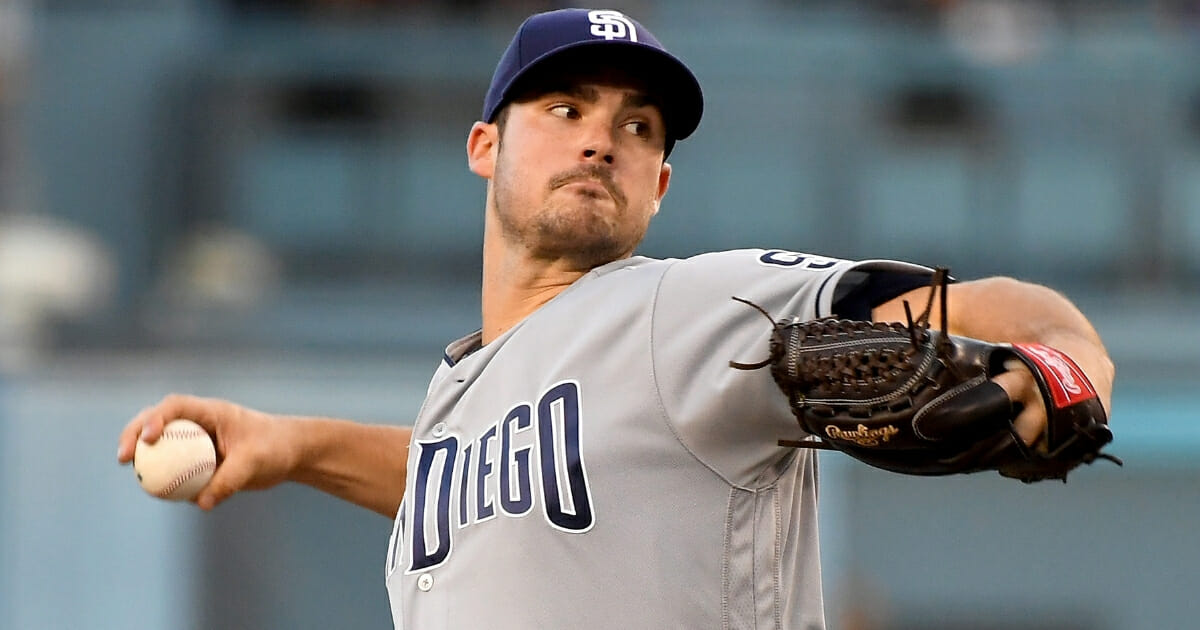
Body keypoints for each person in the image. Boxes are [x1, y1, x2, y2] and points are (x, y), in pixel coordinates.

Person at [117, 8, 1114, 629]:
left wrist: (1069, 364)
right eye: (566, 110)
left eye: (636, 127)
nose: (602, 141)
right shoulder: (468, 385)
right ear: (482, 146)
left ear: (661, 185)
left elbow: (997, 307)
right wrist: (290, 445)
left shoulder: (682, 314)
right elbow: (465, 478)